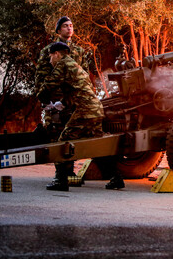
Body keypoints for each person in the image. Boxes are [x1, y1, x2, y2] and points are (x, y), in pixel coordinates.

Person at [38, 41, 124, 191]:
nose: (50, 60)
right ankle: (116, 178)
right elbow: (79, 90)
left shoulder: (63, 64)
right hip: (96, 109)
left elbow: (49, 84)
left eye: (51, 57)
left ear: (57, 54)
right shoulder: (76, 66)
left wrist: (42, 99)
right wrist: (62, 103)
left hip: (85, 110)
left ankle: (60, 180)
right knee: (98, 147)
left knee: (63, 142)